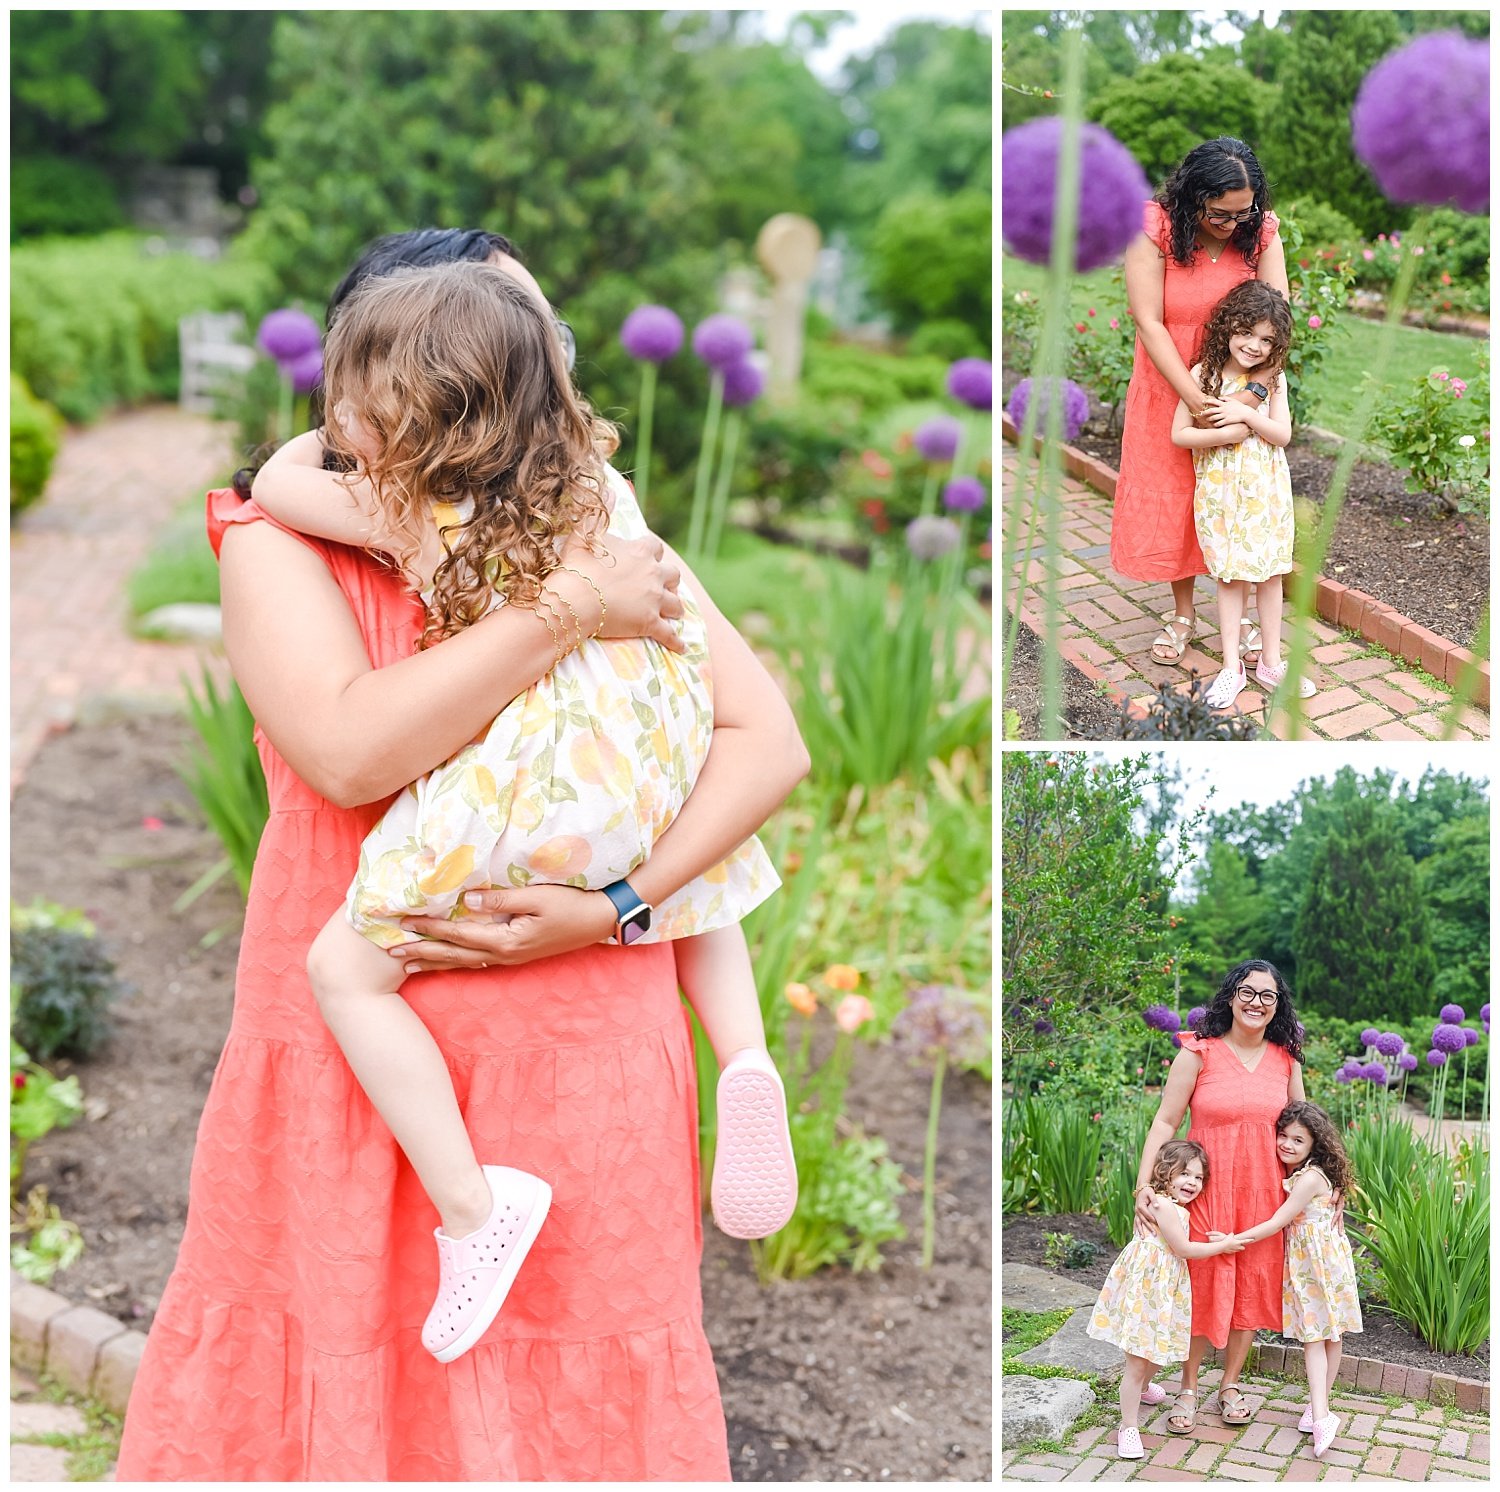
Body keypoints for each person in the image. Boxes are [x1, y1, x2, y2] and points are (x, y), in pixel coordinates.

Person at [114, 228, 809, 1482]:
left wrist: (615, 905)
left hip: (577, 1042)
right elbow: (346, 752)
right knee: (350, 1354)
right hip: (358, 1075)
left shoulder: (590, 543)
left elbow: (765, 743)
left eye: (535, 337)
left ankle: (672, 1087)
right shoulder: (333, 548)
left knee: (575, 1376)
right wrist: (566, 611)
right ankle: (741, 1043)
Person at [249, 258, 796, 1366]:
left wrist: (311, 446)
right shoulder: (606, 500)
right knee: (702, 872)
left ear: (416, 412)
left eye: (355, 389)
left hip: (530, 792)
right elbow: (761, 740)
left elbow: (274, 489)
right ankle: (747, 1057)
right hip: (645, 767)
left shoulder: (425, 511)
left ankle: (472, 1207)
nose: (336, 410)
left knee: (344, 971)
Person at [1114, 137, 1290, 670]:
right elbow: (1148, 319)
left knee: (1239, 500)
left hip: (1242, 388)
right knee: (1176, 497)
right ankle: (1184, 614)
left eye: (1244, 212)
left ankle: (1249, 618)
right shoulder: (1154, 227)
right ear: (1193, 197)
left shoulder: (1260, 231)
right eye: (1220, 213)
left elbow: (1279, 320)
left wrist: (1251, 396)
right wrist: (1195, 397)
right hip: (1169, 382)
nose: (1234, 224)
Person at [1131, 960, 1307, 1435]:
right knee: (1201, 1286)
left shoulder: (1285, 1060)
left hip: (1264, 1194)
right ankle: (1187, 1388)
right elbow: (1165, 1123)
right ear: (1231, 996)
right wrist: (1144, 1186)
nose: (1256, 1002)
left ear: (1277, 1006)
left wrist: (1322, 1185)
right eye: (1247, 992)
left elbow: (1302, 1129)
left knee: (1253, 1283)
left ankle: (1229, 1384)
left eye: (1267, 996)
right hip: (1204, 1190)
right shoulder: (1199, 1053)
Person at [1170, 281, 1314, 709]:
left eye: (1267, 340)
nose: (1254, 346)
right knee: (1231, 578)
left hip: (1266, 495)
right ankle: (1232, 666)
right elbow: (1180, 434)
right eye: (1247, 332)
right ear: (1227, 326)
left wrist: (1243, 414)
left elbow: (1283, 434)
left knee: (1270, 575)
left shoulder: (1273, 381)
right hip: (1220, 496)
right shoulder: (1204, 375)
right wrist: (1231, 428)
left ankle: (1271, 662)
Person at [1086, 1140, 1245, 1460]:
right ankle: (1128, 1427)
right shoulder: (1162, 1206)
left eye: (1199, 1178)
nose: (1192, 1182)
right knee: (1137, 1360)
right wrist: (1223, 1245)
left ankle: (1143, 1389)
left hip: (1164, 1290)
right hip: (1147, 1290)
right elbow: (1183, 1250)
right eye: (1184, 1173)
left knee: (1159, 1351)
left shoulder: (1177, 1209)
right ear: (1164, 1173)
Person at [1223, 1102, 1361, 1458]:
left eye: (1297, 1140)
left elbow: (1277, 1221)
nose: (1286, 1144)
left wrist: (1234, 1239)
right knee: (1329, 1335)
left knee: (1317, 1336)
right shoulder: (1317, 1172)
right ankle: (1319, 1406)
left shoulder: (1309, 1178)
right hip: (1325, 1262)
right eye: (1282, 1135)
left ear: (1313, 1144)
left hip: (1317, 1265)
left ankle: (1322, 1415)